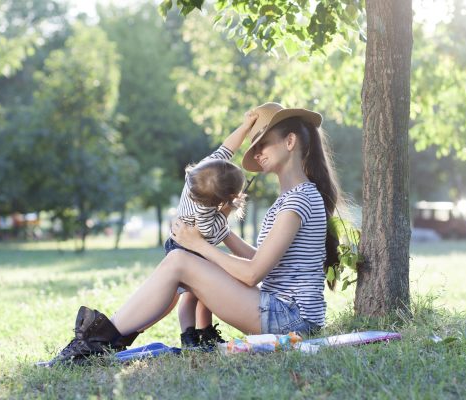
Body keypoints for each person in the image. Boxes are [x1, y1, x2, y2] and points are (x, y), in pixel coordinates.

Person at [36, 102, 342, 367]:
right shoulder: (293, 197)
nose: (257, 153)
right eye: (254, 146)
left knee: (180, 260)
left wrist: (198, 244)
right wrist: (219, 233)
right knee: (181, 264)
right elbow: (263, 260)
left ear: (290, 142)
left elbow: (252, 274)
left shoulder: (298, 200)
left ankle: (95, 342)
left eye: (263, 144)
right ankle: (102, 341)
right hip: (283, 313)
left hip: (290, 321)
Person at [166, 112, 256, 349]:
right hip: (187, 246)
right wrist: (227, 211)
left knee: (203, 293)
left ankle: (205, 331)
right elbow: (211, 234)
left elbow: (227, 147)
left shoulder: (200, 175)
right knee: (191, 295)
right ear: (223, 199)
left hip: (188, 243)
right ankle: (188, 335)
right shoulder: (205, 212)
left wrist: (245, 126)